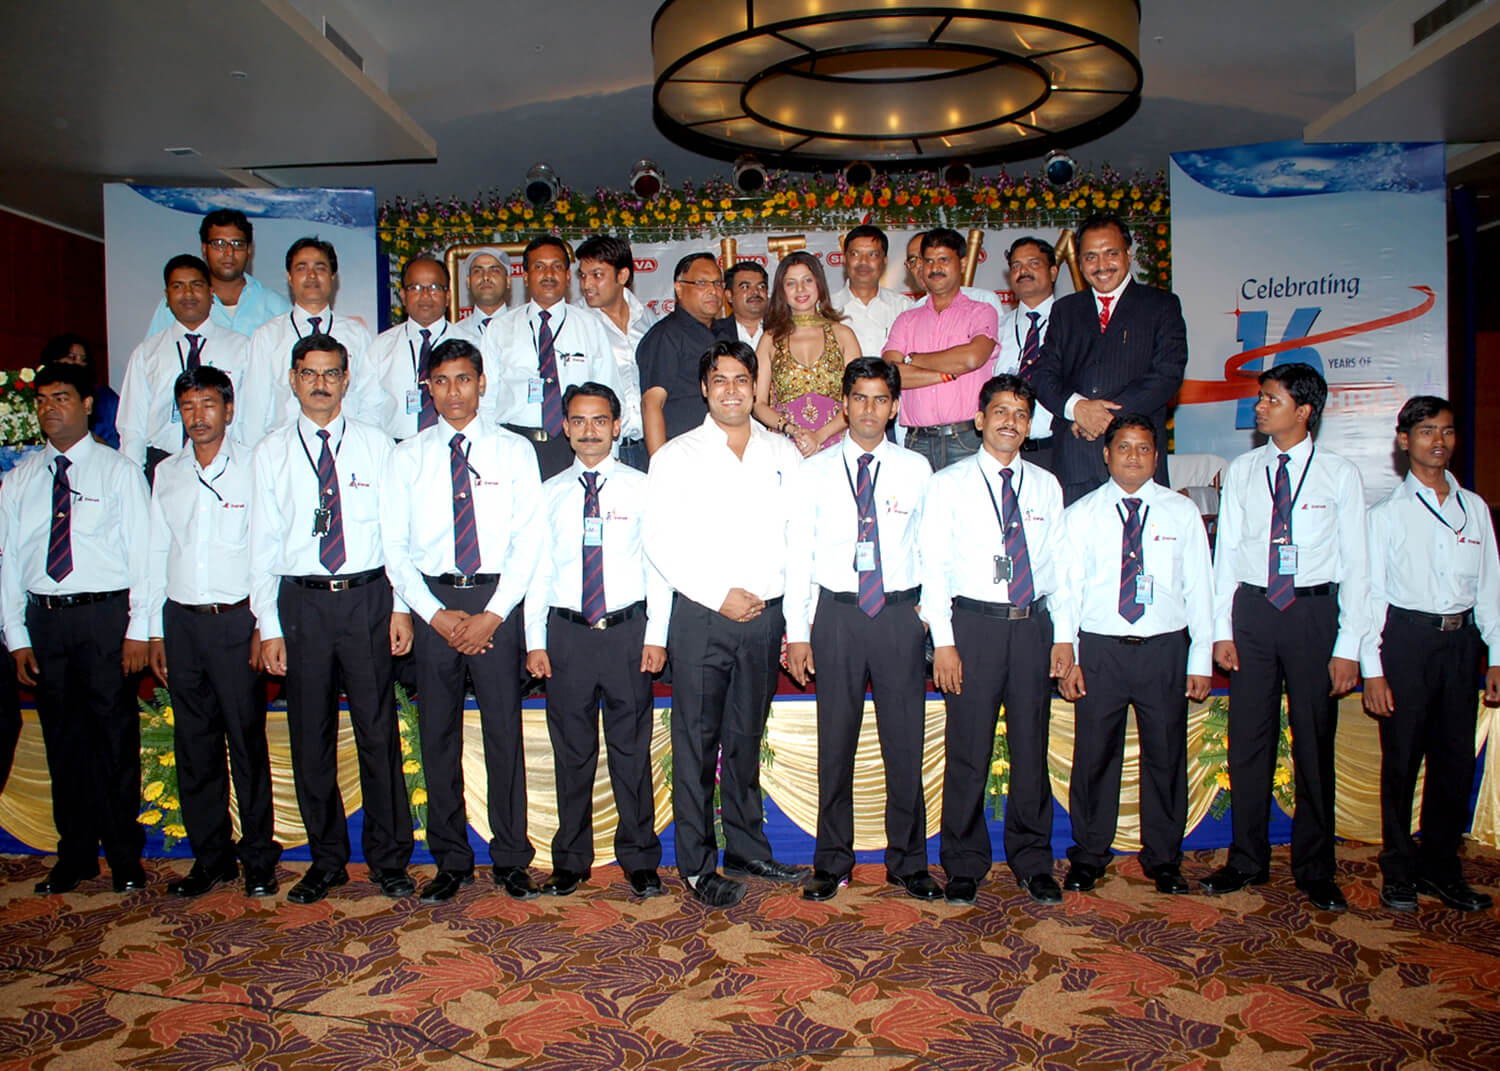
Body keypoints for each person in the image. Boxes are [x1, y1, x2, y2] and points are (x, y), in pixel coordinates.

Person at [250, 333, 415, 904]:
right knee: (309, 734)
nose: (320, 384)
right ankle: (326, 860)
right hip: (302, 603)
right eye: (309, 373)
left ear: (346, 379)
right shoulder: (270, 452)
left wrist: (400, 607)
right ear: (293, 380)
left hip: (368, 597)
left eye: (330, 373)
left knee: (377, 730)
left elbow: (396, 534)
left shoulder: (377, 445)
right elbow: (261, 545)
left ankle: (389, 858)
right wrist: (269, 625)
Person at [643, 340, 808, 907]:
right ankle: (696, 865)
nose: (732, 390)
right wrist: (719, 596)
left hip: (764, 618)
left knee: (744, 737)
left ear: (755, 387)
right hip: (702, 616)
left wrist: (796, 626)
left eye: (742, 379)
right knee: (696, 741)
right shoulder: (676, 455)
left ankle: (745, 848)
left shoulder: (783, 453)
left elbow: (799, 541)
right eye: (720, 380)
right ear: (704, 388)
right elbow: (659, 540)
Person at [382, 338, 544, 903]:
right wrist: (432, 614)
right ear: (428, 387)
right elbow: (394, 548)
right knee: (437, 737)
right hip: (435, 606)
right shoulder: (406, 456)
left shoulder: (514, 451)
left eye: (464, 379)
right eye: (442, 380)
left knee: (504, 734)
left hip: (497, 603)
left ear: (482, 383)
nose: (454, 391)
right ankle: (451, 859)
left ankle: (511, 858)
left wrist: (494, 614)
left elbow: (529, 540)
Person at [1205, 362, 1369, 913]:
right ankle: (1246, 859)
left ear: (1304, 411)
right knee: (1248, 740)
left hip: (1312, 614)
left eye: (1271, 399)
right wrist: (1222, 630)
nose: (1259, 407)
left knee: (1314, 741)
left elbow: (1359, 566)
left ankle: (1316, 868)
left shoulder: (1339, 474)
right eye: (1260, 398)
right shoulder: (1243, 469)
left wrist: (1348, 647)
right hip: (1254, 612)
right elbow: (1227, 553)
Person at [784, 357, 936, 902]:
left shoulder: (917, 469)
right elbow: (797, 554)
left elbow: (931, 549)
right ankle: (832, 861)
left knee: (905, 742)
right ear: (844, 404)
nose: (869, 409)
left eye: (880, 399)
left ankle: (908, 862)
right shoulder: (814, 472)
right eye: (859, 398)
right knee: (836, 742)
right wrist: (798, 631)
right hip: (838, 615)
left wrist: (927, 616)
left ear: (894, 408)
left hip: (898, 615)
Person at [920, 373, 1074, 905]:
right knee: (968, 749)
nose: (1011, 422)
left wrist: (1064, 637)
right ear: (979, 419)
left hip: (1033, 626)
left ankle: (1033, 860)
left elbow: (1060, 566)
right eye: (1001, 412)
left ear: (1030, 426)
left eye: (1021, 414)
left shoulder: (1047, 486)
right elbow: (934, 567)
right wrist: (944, 641)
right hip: (974, 628)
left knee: (1032, 746)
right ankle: (964, 863)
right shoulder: (949, 483)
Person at [0, 362, 150, 895]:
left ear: (87, 405)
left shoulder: (118, 472)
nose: (50, 409)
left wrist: (139, 629)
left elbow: (143, 554)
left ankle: (125, 856)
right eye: (42, 400)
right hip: (45, 619)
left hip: (103, 617)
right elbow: (9, 563)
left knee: (113, 739)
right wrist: (16, 635)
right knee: (63, 742)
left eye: (61, 398)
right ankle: (76, 854)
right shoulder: (19, 480)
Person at [1054, 414, 1213, 896]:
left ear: (1156, 456)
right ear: (1106, 454)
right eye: (1123, 447)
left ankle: (1164, 858)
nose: (1133, 457)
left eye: (1144, 448)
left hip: (1164, 649)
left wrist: (1200, 658)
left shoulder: (1180, 512)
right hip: (1100, 649)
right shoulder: (1081, 514)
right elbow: (1067, 590)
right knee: (1094, 756)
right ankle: (1089, 855)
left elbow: (1200, 588)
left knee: (1165, 755)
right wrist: (1069, 652)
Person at [525, 382, 669, 899]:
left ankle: (640, 858)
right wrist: (534, 640)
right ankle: (570, 859)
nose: (590, 432)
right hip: (567, 636)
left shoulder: (642, 487)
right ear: (565, 427)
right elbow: (537, 571)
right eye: (580, 421)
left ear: (616, 425)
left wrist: (656, 634)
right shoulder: (548, 494)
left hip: (627, 633)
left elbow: (659, 568)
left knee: (631, 751)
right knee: (572, 752)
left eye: (600, 421)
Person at [146, 365, 280, 898]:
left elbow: (265, 551)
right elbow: (156, 551)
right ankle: (211, 858)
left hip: (236, 622)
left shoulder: (254, 465)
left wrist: (263, 623)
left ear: (228, 409)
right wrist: (153, 631)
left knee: (246, 742)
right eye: (187, 407)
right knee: (194, 744)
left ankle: (259, 858)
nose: (197, 416)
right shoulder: (168, 472)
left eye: (207, 405)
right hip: (182, 622)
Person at [1362, 396, 1498, 914]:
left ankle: (1442, 869)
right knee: (1402, 760)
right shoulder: (1386, 514)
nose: (1438, 441)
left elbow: (1489, 588)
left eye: (1447, 431)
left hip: (1461, 645)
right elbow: (1372, 596)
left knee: (1454, 760)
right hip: (1407, 642)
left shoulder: (1475, 508)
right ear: (1404, 440)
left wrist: (1496, 655)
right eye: (1426, 431)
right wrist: (1373, 668)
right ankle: (1398, 870)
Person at [1029, 213, 1188, 505]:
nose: (1101, 265)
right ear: (1080, 263)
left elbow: (1167, 375)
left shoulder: (1161, 305)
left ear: (1129, 254)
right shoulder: (1065, 310)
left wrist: (1103, 417)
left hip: (1135, 459)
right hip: (1075, 459)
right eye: (1091, 257)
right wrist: (1077, 408)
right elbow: (1042, 374)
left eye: (1111, 253)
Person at [479, 236, 622, 479]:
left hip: (574, 446)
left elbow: (609, 392)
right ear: (525, 277)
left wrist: (611, 456)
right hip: (514, 444)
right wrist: (486, 453)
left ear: (567, 276)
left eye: (556, 267)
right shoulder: (500, 328)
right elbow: (485, 400)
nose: (548, 274)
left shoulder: (589, 326)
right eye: (539, 267)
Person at [119, 255, 250, 482]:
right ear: (167, 296)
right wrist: (133, 482)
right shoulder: (147, 353)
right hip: (161, 463)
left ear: (211, 292)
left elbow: (250, 417)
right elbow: (132, 427)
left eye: (196, 285)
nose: (188, 294)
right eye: (178, 286)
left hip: (225, 464)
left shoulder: (241, 348)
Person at [238, 238, 380, 448]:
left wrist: (361, 447)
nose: (312, 275)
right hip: (285, 451)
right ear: (289, 277)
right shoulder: (267, 336)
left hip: (345, 448)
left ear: (333, 276)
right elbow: (253, 409)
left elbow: (370, 400)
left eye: (320, 268)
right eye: (302, 268)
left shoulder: (356, 334)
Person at [882, 229, 1000, 470]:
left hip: (968, 438)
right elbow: (891, 374)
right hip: (917, 442)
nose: (935, 268)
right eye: (928, 261)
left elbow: (971, 358)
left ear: (963, 263)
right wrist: (946, 374)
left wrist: (912, 359)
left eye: (944, 259)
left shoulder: (981, 311)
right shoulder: (906, 319)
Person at [752, 251, 860, 458]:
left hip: (837, 447)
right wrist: (792, 431)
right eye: (791, 283)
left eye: (807, 280)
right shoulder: (770, 339)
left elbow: (858, 397)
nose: (800, 289)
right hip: (787, 447)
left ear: (819, 284)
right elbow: (758, 403)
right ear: (782, 290)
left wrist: (819, 436)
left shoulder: (843, 335)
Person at [637, 253, 735, 455]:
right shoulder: (666, 335)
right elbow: (651, 403)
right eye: (702, 283)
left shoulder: (725, 334)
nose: (713, 290)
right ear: (679, 288)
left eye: (718, 283)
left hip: (726, 450)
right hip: (684, 454)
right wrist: (660, 465)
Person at [143, 208, 291, 340]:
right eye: (219, 244)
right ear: (204, 249)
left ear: (249, 250)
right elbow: (154, 354)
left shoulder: (276, 306)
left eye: (237, 244)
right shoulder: (178, 303)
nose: (229, 252)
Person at [575, 236, 656, 471]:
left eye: (597, 275)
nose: (587, 284)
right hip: (604, 450)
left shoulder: (647, 318)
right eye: (583, 276)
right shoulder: (576, 321)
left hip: (650, 446)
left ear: (622, 276)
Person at [369, 256, 462, 441]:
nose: (425, 295)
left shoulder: (469, 343)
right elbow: (368, 410)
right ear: (403, 296)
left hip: (453, 447)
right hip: (395, 447)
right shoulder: (381, 346)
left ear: (448, 296)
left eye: (434, 287)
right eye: (416, 288)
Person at [995, 237, 1063, 473]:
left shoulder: (1074, 325)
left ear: (1053, 272)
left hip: (1058, 450)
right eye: (1016, 266)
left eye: (1033, 263)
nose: (1023, 271)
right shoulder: (997, 328)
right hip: (1005, 452)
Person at [833, 225, 914, 358]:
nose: (863, 262)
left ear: (885, 260)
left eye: (872, 254)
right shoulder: (827, 308)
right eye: (855, 254)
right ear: (845, 259)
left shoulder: (904, 307)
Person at [902, 232, 1006, 318]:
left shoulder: (983, 300)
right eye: (912, 260)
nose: (919, 265)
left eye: (925, 258)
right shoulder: (911, 314)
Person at [43, 334, 118, 448]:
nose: (79, 364)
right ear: (55, 361)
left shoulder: (105, 397)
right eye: (72, 358)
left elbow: (119, 443)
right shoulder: (42, 395)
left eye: (83, 360)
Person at [456, 247, 511, 337]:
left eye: (494, 271)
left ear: (508, 281)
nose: (485, 277)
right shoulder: (456, 334)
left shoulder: (524, 328)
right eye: (477, 271)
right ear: (468, 281)